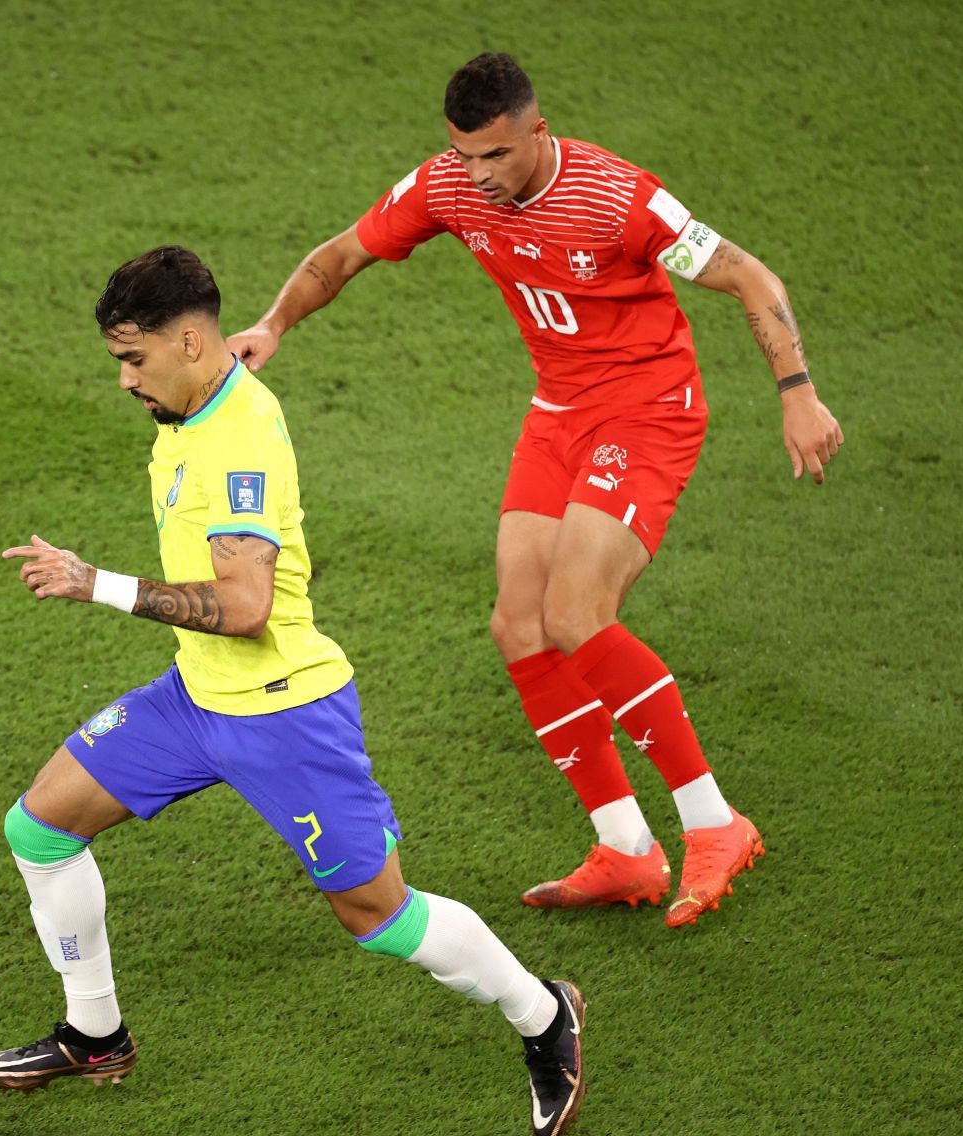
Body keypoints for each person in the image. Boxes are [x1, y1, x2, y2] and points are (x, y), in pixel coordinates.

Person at [0, 245, 588, 1136]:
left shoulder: (238, 442)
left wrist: (92, 582)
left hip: (283, 714)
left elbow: (247, 605)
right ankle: (94, 1034)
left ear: (188, 341)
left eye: (131, 358)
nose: (122, 380)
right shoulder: (189, 403)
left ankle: (545, 1014)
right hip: (195, 700)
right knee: (39, 827)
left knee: (379, 916)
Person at [227, 53, 844, 928]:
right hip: (560, 411)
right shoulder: (447, 187)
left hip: (645, 411)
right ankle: (625, 846)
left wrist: (798, 393)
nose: (478, 177)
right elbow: (344, 254)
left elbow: (750, 275)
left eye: (496, 157)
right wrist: (273, 323)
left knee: (577, 615)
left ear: (536, 133)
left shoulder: (617, 195)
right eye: (464, 156)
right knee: (518, 623)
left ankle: (716, 823)